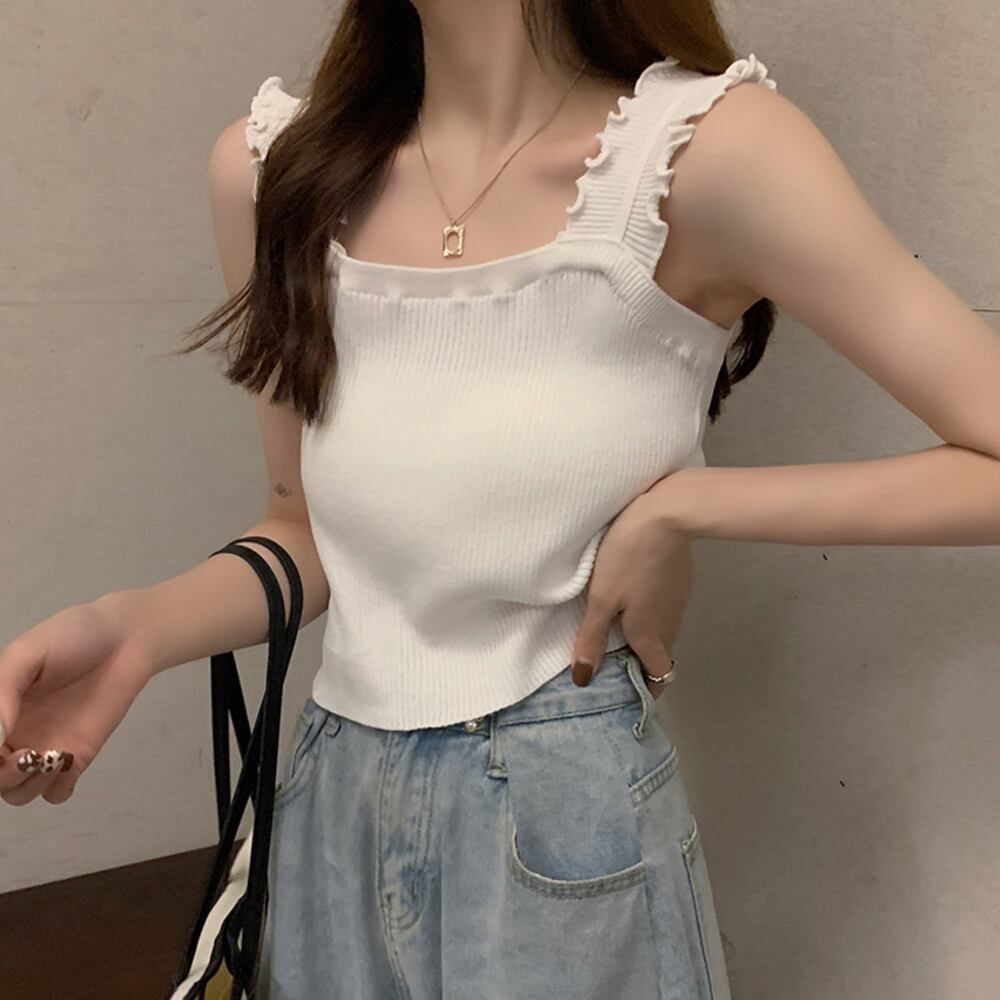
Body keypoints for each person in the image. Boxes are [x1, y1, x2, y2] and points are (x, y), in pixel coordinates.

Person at [4, 1, 1000, 997]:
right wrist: (133, 632)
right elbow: (302, 528)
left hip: (561, 815)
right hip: (328, 807)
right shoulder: (277, 173)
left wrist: (685, 507)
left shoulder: (700, 153)